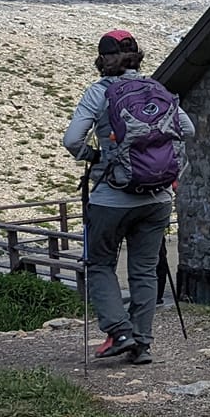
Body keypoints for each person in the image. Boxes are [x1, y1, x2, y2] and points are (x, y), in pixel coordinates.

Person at [63, 30, 194, 364]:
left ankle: (119, 332)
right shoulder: (157, 89)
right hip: (158, 197)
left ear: (102, 60)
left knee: (100, 263)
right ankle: (143, 343)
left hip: (113, 196)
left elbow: (72, 139)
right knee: (145, 270)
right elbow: (188, 130)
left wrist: (96, 156)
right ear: (137, 57)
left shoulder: (99, 93)